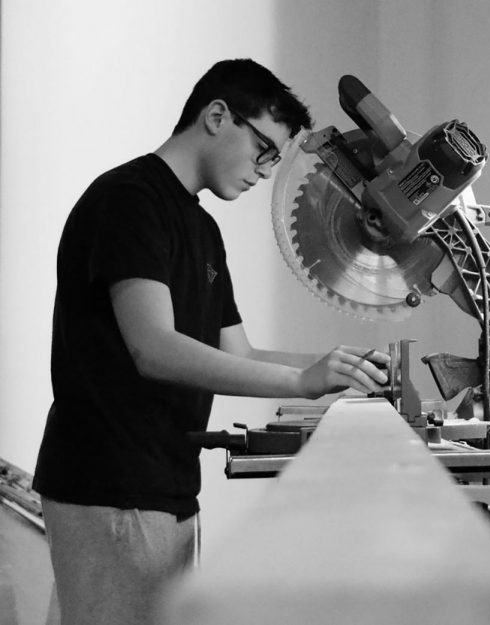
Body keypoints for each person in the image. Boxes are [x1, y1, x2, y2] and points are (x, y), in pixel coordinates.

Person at [33, 58, 389, 625]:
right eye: (265, 150)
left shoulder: (201, 228)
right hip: (113, 487)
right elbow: (155, 348)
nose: (267, 172)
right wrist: (301, 380)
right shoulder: (128, 199)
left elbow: (236, 354)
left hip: (164, 485)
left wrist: (339, 370)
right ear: (218, 116)